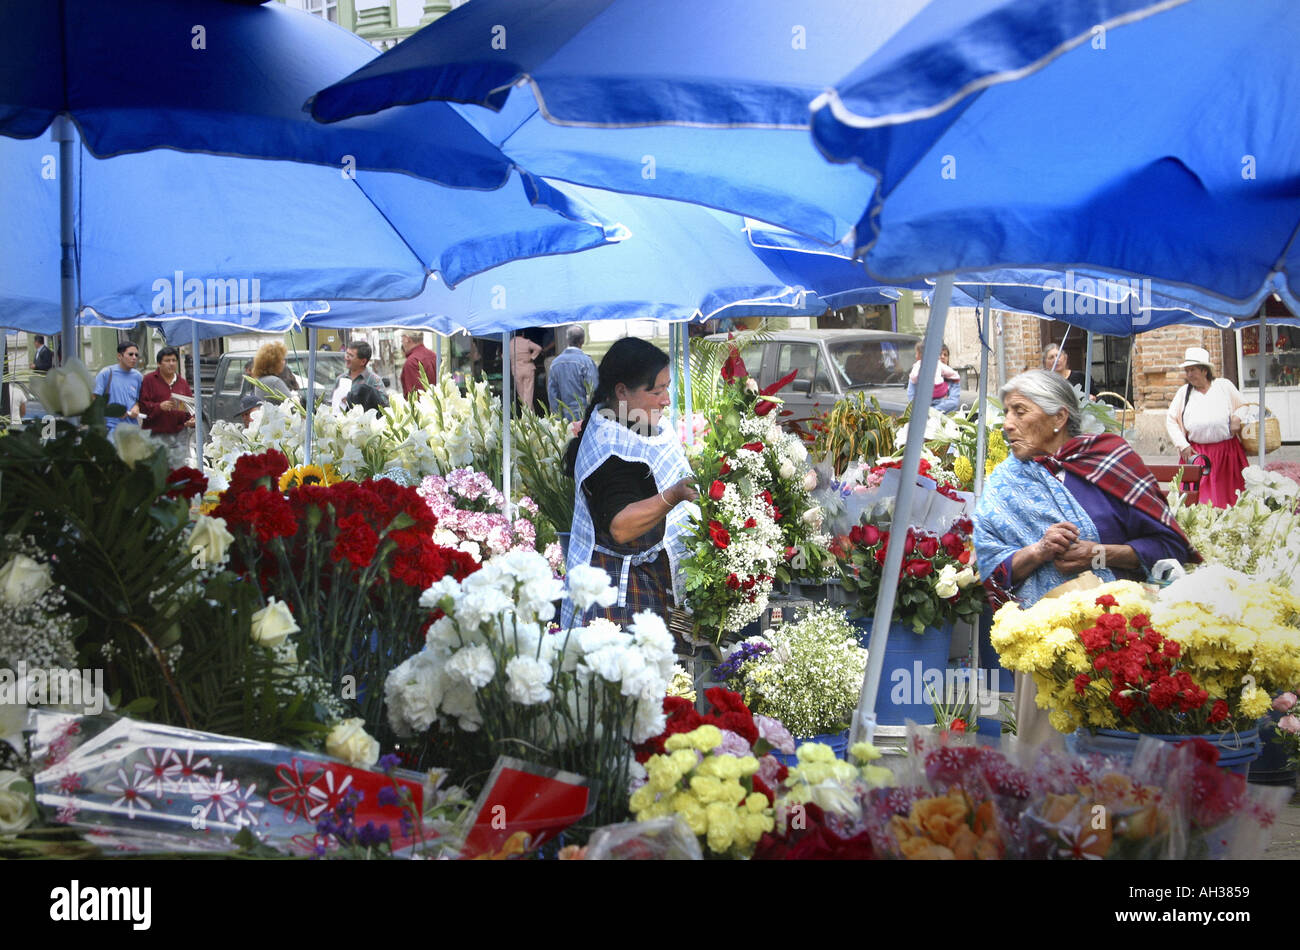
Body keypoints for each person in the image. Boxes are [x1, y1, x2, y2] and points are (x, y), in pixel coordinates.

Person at [974, 370, 1196, 748]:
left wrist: (1097, 555)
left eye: (1019, 411)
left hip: (1119, 642)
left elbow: (1169, 546)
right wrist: (1038, 551)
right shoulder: (1003, 483)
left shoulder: (1107, 461)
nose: (1008, 424)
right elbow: (992, 569)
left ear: (1059, 418)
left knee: (1117, 759)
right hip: (1044, 648)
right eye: (1007, 413)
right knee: (1052, 765)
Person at [560, 338, 699, 629]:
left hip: (648, 588)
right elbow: (621, 527)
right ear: (621, 391)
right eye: (656, 391)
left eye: (667, 388)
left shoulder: (633, 424)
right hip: (615, 601)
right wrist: (673, 495)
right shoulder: (609, 450)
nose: (666, 400)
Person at [1164, 346, 1248, 508]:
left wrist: (1237, 417)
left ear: (1204, 370)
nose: (1189, 374)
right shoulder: (1184, 393)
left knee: (1231, 499)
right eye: (1187, 370)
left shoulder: (1224, 386)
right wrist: (1183, 445)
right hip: (1198, 455)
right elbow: (1171, 420)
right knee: (1199, 502)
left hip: (1226, 453)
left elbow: (1244, 405)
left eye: (1193, 370)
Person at [138, 345, 196, 468]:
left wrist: (192, 419)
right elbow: (143, 406)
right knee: (159, 470)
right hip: (156, 434)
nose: (171, 364)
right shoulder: (149, 380)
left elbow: (190, 407)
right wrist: (159, 407)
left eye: (174, 360)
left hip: (179, 433)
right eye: (167, 361)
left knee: (179, 470)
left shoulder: (182, 382)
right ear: (159, 363)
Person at [547, 325, 599, 421]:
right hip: (583, 414)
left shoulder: (555, 363)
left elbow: (552, 393)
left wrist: (557, 416)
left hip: (563, 416)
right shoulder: (586, 362)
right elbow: (594, 390)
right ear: (582, 340)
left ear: (567, 340)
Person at [93, 341, 143, 432]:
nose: (134, 358)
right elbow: (95, 399)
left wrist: (136, 407)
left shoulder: (138, 376)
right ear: (120, 356)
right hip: (110, 426)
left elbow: (138, 399)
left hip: (131, 427)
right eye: (130, 354)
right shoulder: (107, 373)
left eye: (136, 355)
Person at [332, 341, 388, 412]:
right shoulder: (340, 379)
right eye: (347, 354)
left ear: (363, 362)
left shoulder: (374, 380)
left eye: (351, 356)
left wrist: (356, 399)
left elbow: (384, 405)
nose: (346, 358)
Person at [906, 342, 961, 412]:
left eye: (945, 355)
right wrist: (944, 401)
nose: (942, 357)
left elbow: (953, 403)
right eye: (939, 354)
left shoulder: (953, 380)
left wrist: (928, 412)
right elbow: (913, 401)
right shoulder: (917, 375)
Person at [399, 330, 438, 398]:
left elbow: (415, 396)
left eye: (402, 340)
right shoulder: (434, 356)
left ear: (407, 339)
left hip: (424, 407)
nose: (402, 343)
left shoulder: (411, 362)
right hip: (438, 404)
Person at [510, 332, 543, 411]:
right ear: (523, 334)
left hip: (516, 369)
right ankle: (529, 414)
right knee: (528, 392)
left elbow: (503, 356)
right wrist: (532, 357)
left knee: (521, 394)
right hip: (528, 367)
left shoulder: (510, 343)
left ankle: (527, 413)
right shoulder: (526, 341)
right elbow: (538, 348)